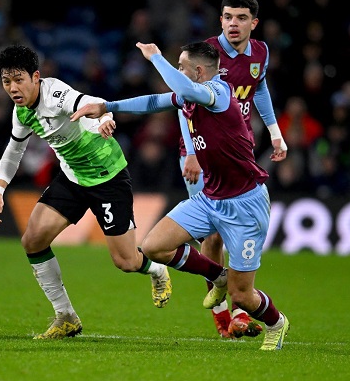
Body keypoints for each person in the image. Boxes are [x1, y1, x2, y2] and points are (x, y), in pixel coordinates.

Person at [0, 44, 227, 340]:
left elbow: (87, 102)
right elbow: (14, 149)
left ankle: (156, 270)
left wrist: (104, 119)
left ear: (36, 77)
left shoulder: (55, 94)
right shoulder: (21, 112)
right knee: (33, 239)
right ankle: (66, 316)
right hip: (73, 178)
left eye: (18, 79)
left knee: (125, 261)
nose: (12, 88)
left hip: (108, 177)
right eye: (6, 81)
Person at [71, 41, 290, 351]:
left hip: (245, 204)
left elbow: (178, 87)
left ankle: (277, 323)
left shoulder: (218, 93)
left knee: (243, 296)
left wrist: (155, 57)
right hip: (210, 197)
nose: (176, 71)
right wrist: (107, 106)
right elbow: (153, 101)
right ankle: (219, 276)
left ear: (198, 72)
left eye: (181, 66)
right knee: (153, 247)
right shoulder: (190, 96)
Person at [179, 0, 288, 339]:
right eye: (227, 17)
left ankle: (238, 311)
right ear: (220, 20)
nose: (233, 24)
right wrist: (191, 153)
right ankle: (224, 315)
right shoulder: (207, 54)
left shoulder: (261, 53)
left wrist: (275, 133)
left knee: (232, 231)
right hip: (200, 149)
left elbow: (260, 89)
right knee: (212, 234)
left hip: (236, 147)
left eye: (241, 18)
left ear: (253, 23)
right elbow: (181, 100)